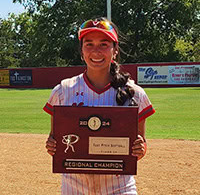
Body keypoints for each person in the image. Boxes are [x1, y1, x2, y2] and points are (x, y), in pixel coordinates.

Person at [44, 17, 155, 195]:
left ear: (115, 50)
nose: (96, 51)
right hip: (73, 188)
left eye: (104, 44)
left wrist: (140, 149)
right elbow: (55, 141)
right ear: (81, 50)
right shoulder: (63, 90)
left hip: (119, 188)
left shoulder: (134, 93)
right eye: (89, 44)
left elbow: (141, 147)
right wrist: (52, 146)